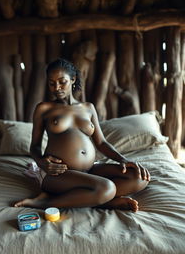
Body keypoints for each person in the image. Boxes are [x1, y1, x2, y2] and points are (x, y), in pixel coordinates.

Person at [14, 58, 150, 212]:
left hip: (89, 170)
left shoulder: (88, 108)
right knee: (107, 187)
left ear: (72, 79)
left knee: (139, 177)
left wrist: (123, 160)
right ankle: (46, 202)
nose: (56, 87)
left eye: (61, 81)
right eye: (51, 83)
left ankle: (100, 199)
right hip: (59, 174)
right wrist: (41, 162)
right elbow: (35, 146)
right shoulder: (44, 109)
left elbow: (101, 143)